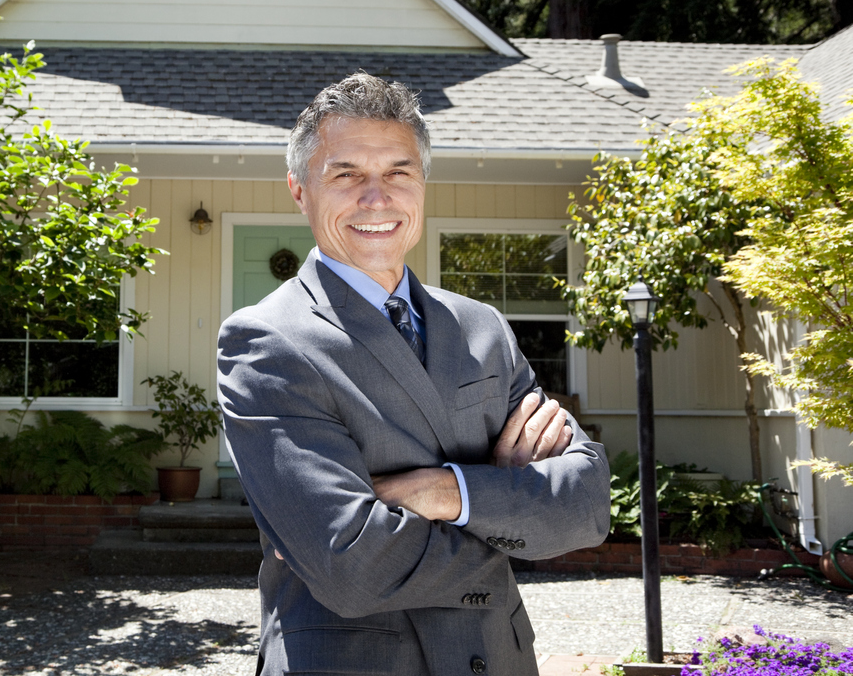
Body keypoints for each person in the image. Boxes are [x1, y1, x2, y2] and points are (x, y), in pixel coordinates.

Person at [217, 73, 611, 676]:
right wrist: (506, 506)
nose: (376, 199)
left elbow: (585, 505)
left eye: (398, 172)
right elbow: (353, 567)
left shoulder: (482, 327)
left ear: (422, 186)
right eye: (346, 174)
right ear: (299, 191)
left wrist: (441, 491)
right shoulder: (269, 341)